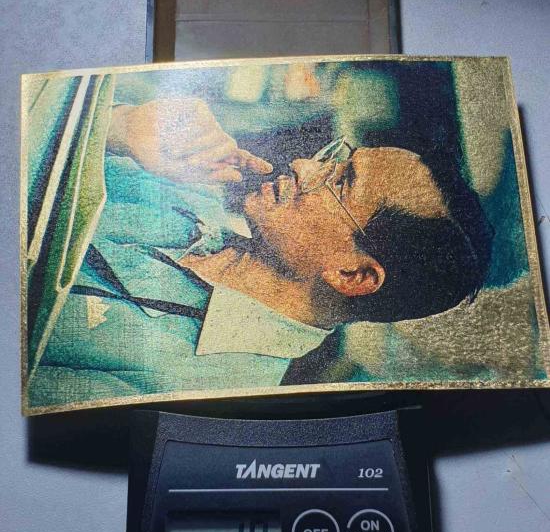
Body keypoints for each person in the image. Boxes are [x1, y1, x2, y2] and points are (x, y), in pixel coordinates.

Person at [28, 96, 493, 409]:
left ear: (352, 274)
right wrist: (120, 126)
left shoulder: (186, 391)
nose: (303, 164)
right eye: (336, 158)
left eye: (340, 182)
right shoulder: (195, 194)